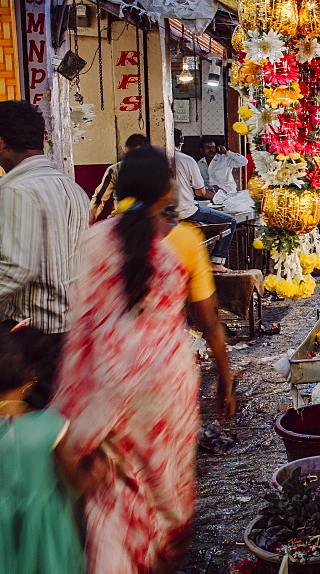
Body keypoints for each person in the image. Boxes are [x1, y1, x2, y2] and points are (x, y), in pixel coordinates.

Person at [50, 146, 236, 574]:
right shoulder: (186, 240)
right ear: (167, 190)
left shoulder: (93, 240)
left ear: (120, 188)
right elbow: (209, 324)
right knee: (166, 491)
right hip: (166, 385)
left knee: (115, 494)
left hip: (105, 385)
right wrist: (226, 380)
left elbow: (80, 326)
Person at [0, 100, 89, 407]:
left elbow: (16, 268)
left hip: (30, 335)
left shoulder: (16, 190)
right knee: (53, 420)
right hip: (67, 328)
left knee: (26, 418)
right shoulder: (71, 187)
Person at [0, 325, 94, 574]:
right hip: (47, 531)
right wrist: (99, 470)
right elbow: (78, 483)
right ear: (30, 378)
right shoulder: (50, 424)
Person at [173, 129, 237, 271]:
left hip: (161, 213)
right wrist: (218, 197)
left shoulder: (153, 160)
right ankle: (216, 262)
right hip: (185, 212)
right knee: (230, 222)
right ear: (181, 144)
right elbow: (200, 191)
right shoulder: (187, 160)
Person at [89, 133, 150, 222]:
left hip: (147, 219)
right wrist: (91, 218)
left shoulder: (156, 170)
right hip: (121, 219)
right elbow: (99, 197)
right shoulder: (114, 170)